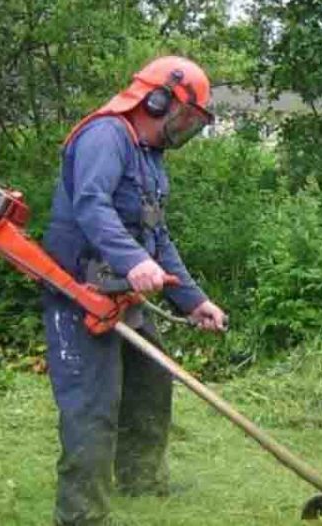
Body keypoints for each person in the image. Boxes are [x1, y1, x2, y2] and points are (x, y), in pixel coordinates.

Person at [41, 56, 227, 526]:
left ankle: (141, 483)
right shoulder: (105, 136)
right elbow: (91, 204)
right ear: (158, 100)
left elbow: (157, 237)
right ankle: (82, 514)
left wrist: (193, 300)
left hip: (121, 293)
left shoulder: (149, 157)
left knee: (151, 382)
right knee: (92, 406)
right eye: (186, 116)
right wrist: (134, 261)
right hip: (79, 294)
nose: (186, 129)